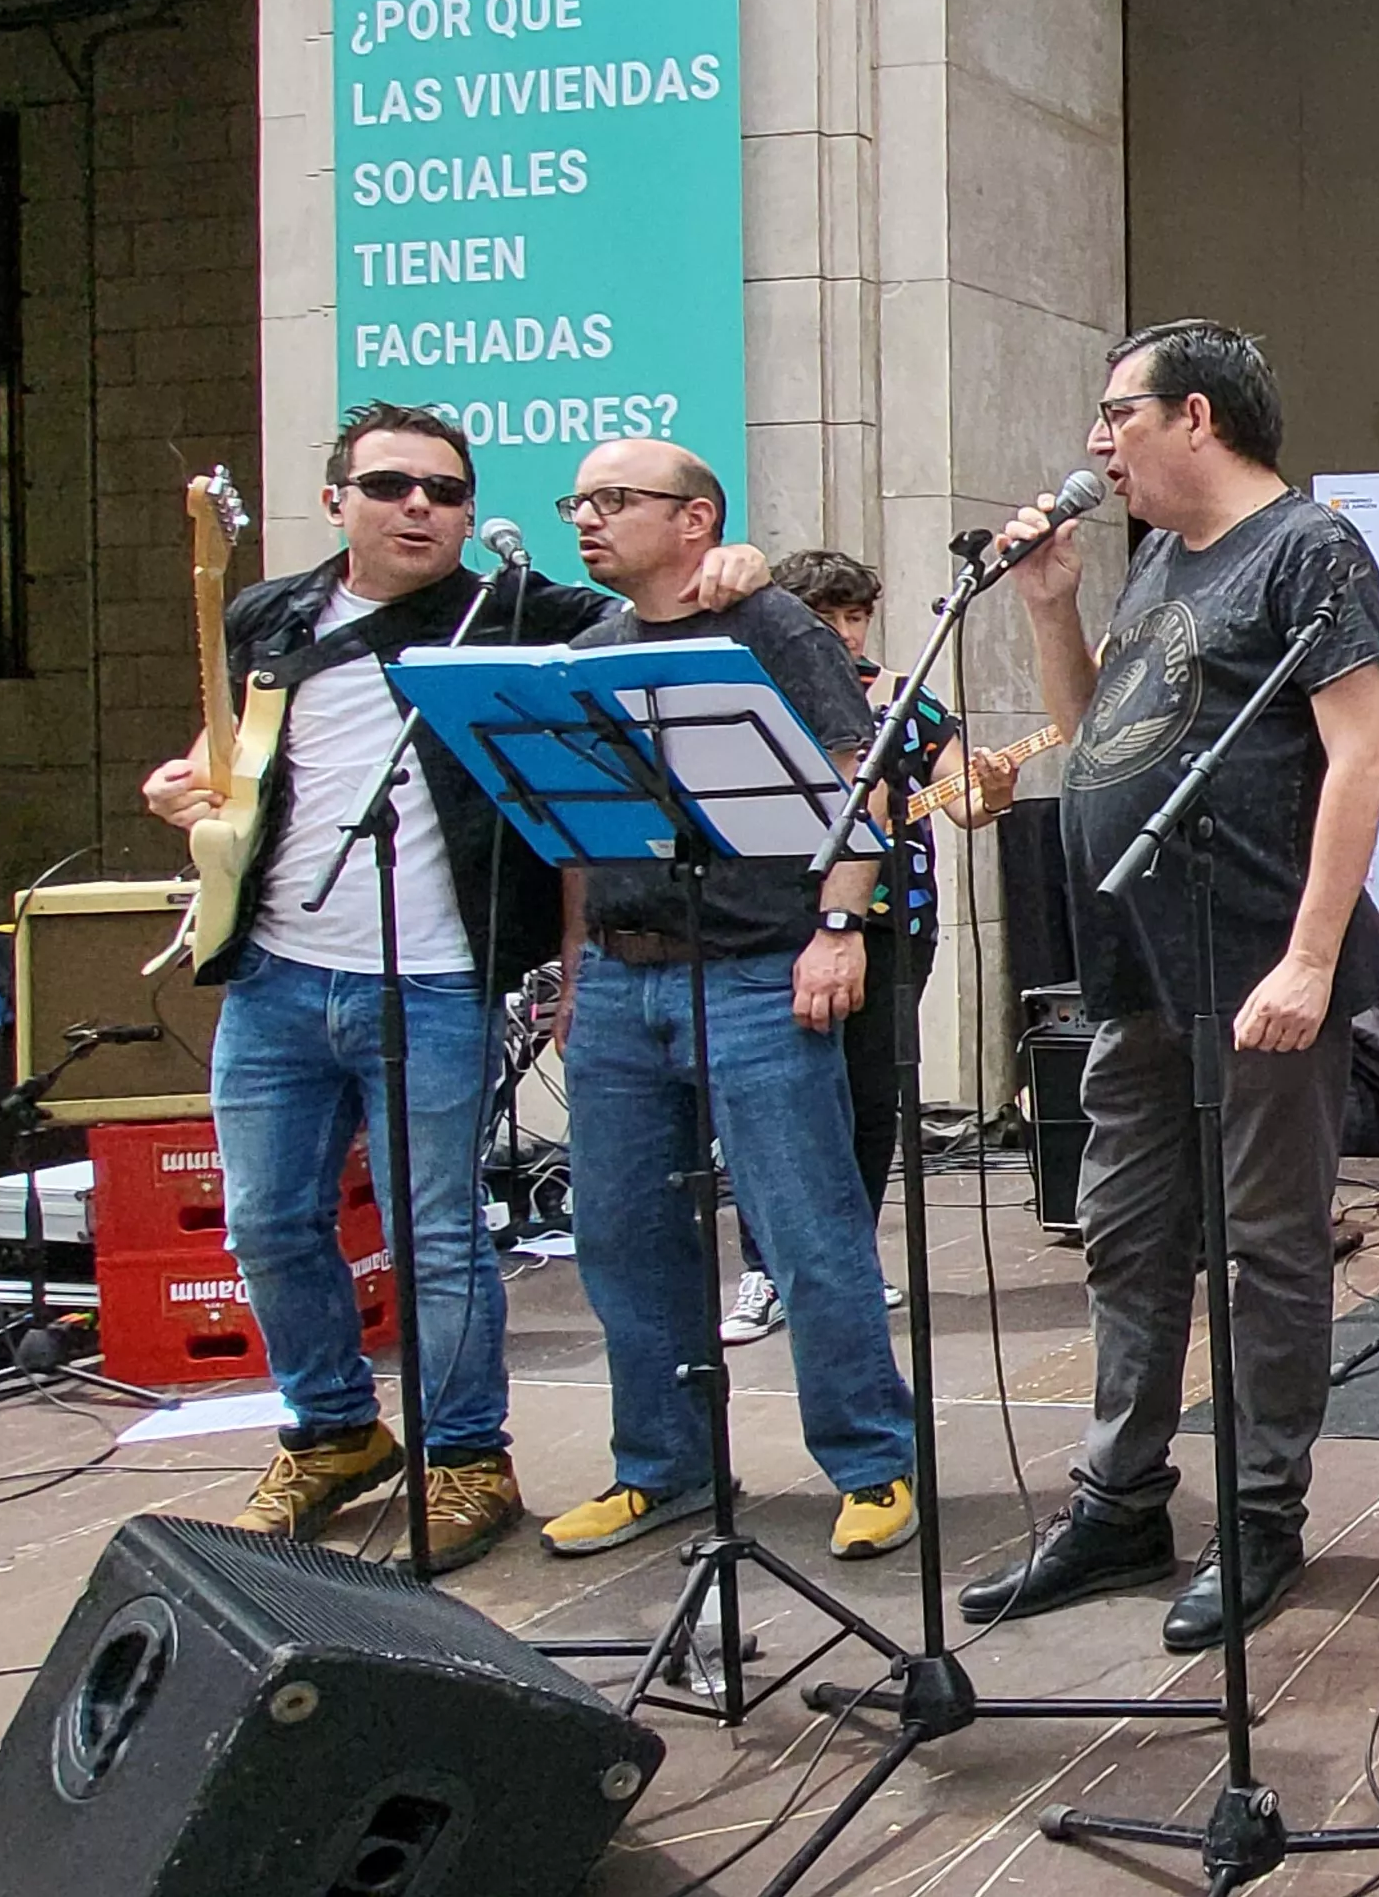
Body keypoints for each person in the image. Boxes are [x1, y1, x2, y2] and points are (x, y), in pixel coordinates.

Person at [140, 402, 766, 1571]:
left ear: (473, 514)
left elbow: (668, 602)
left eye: (445, 489)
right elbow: (239, 760)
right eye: (388, 485)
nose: (419, 505)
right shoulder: (268, 614)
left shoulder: (518, 608)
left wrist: (739, 561)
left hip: (432, 977)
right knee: (270, 1221)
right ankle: (332, 1431)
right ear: (337, 502)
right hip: (275, 969)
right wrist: (190, 786)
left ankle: (468, 1453)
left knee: (438, 1233)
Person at [955, 320, 1379, 1653]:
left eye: (1117, 415)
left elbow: (1359, 760)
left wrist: (1312, 961)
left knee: (1268, 1249)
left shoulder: (1309, 546)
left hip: (1257, 955)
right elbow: (1101, 735)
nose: (1097, 442)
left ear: (1194, 417)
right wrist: (1048, 604)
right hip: (1136, 966)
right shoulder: (1158, 563)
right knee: (1128, 1237)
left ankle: (1262, 1514)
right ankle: (1120, 1500)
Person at [539, 439, 922, 1565]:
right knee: (618, 1230)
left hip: (757, 964)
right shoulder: (594, 645)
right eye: (580, 501)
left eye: (614, 500)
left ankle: (872, 1460)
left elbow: (866, 775)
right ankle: (659, 1466)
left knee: (806, 1227)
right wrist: (574, 967)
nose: (587, 519)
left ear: (696, 519)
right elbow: (576, 826)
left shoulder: (771, 628)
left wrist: (840, 926)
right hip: (621, 969)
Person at [716, 548, 978, 1346]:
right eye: (825, 616)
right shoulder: (753, 699)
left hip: (895, 921)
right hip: (778, 918)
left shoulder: (907, 702)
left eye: (855, 614)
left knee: (870, 1101)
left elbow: (963, 793)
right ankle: (766, 1268)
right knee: (772, 1104)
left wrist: (983, 788)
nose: (844, 632)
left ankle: (848, 1255)